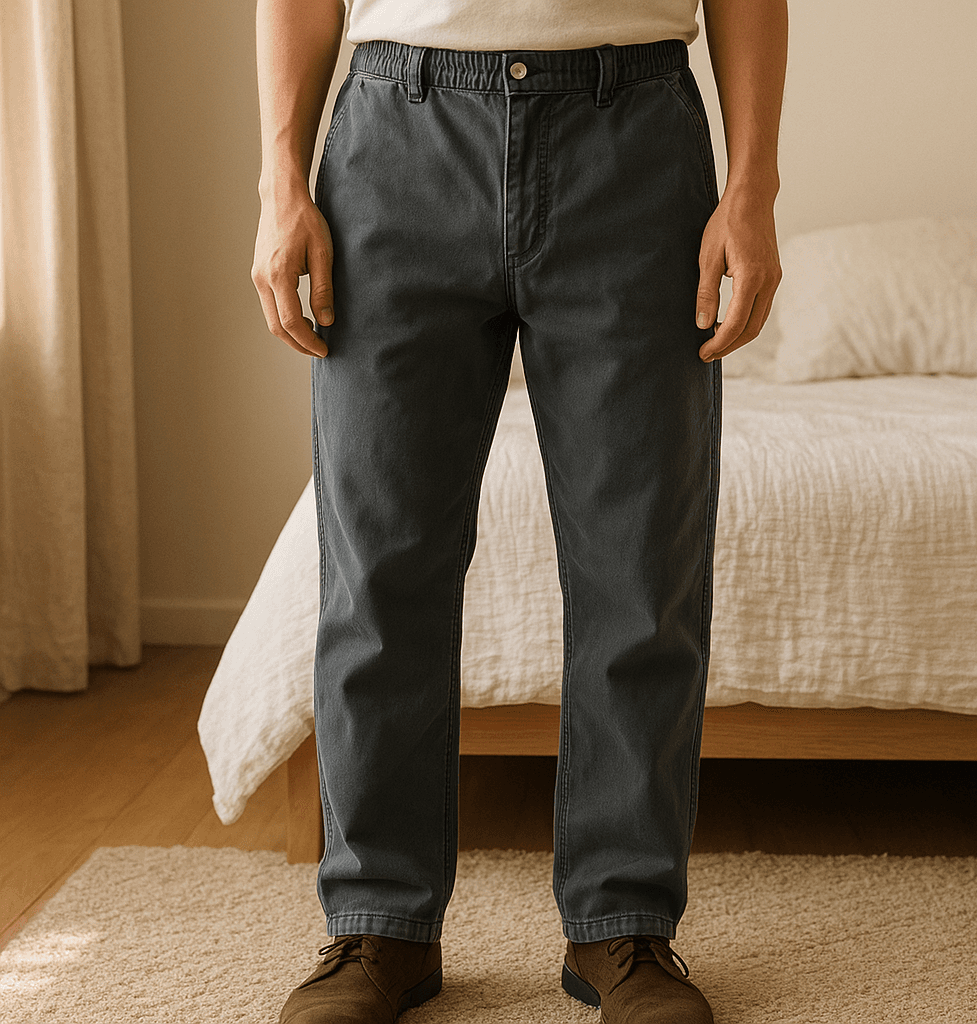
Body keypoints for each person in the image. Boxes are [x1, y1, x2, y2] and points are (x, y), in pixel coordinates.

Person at [251, 0, 786, 1020]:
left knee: (640, 566)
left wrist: (752, 185)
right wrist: (280, 179)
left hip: (632, 137)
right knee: (379, 565)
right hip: (395, 137)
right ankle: (379, 924)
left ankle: (621, 925)